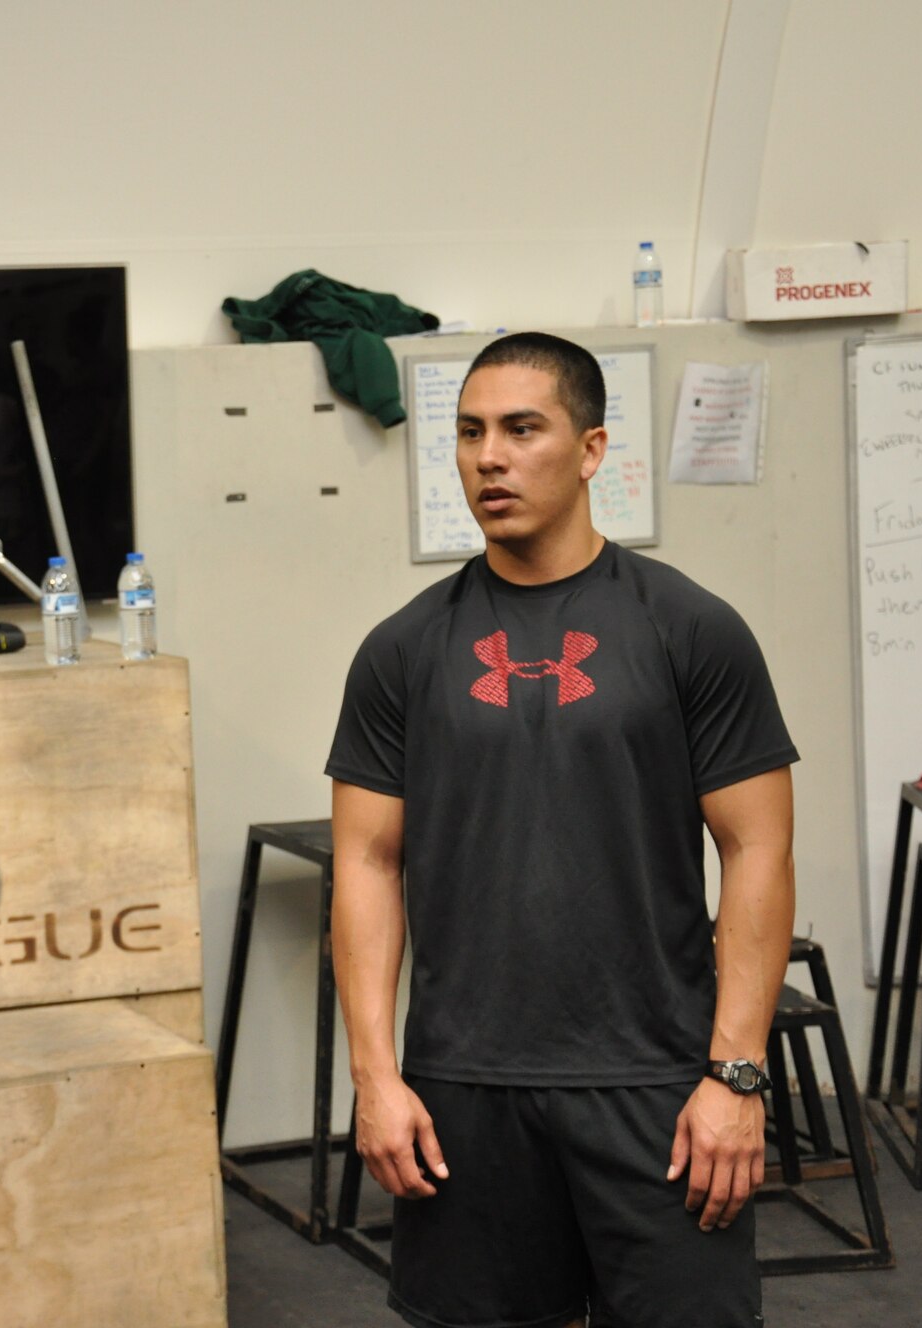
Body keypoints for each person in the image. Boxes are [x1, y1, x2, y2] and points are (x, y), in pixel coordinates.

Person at [327, 332, 797, 1328]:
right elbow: (365, 862)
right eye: (467, 433)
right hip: (464, 1088)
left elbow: (756, 849)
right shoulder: (401, 649)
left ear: (589, 451)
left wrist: (734, 1072)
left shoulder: (689, 629)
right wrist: (375, 1076)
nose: (487, 457)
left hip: (656, 1083)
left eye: (519, 429)